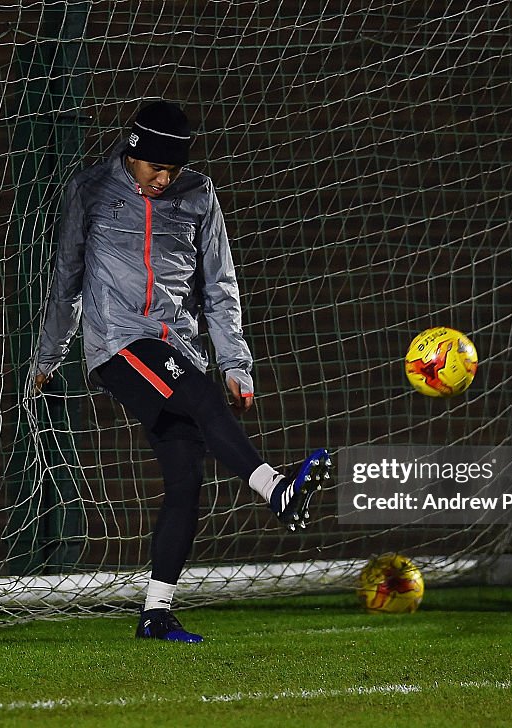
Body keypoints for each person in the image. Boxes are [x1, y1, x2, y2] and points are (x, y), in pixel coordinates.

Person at [32, 100, 331, 643]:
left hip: (179, 348)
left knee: (186, 476)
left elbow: (220, 284)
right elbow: (66, 277)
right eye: (153, 169)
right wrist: (48, 355)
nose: (162, 179)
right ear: (132, 152)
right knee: (199, 396)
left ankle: (156, 611)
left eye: (171, 170)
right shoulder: (92, 189)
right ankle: (275, 488)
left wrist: (236, 362)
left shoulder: (199, 194)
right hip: (119, 344)